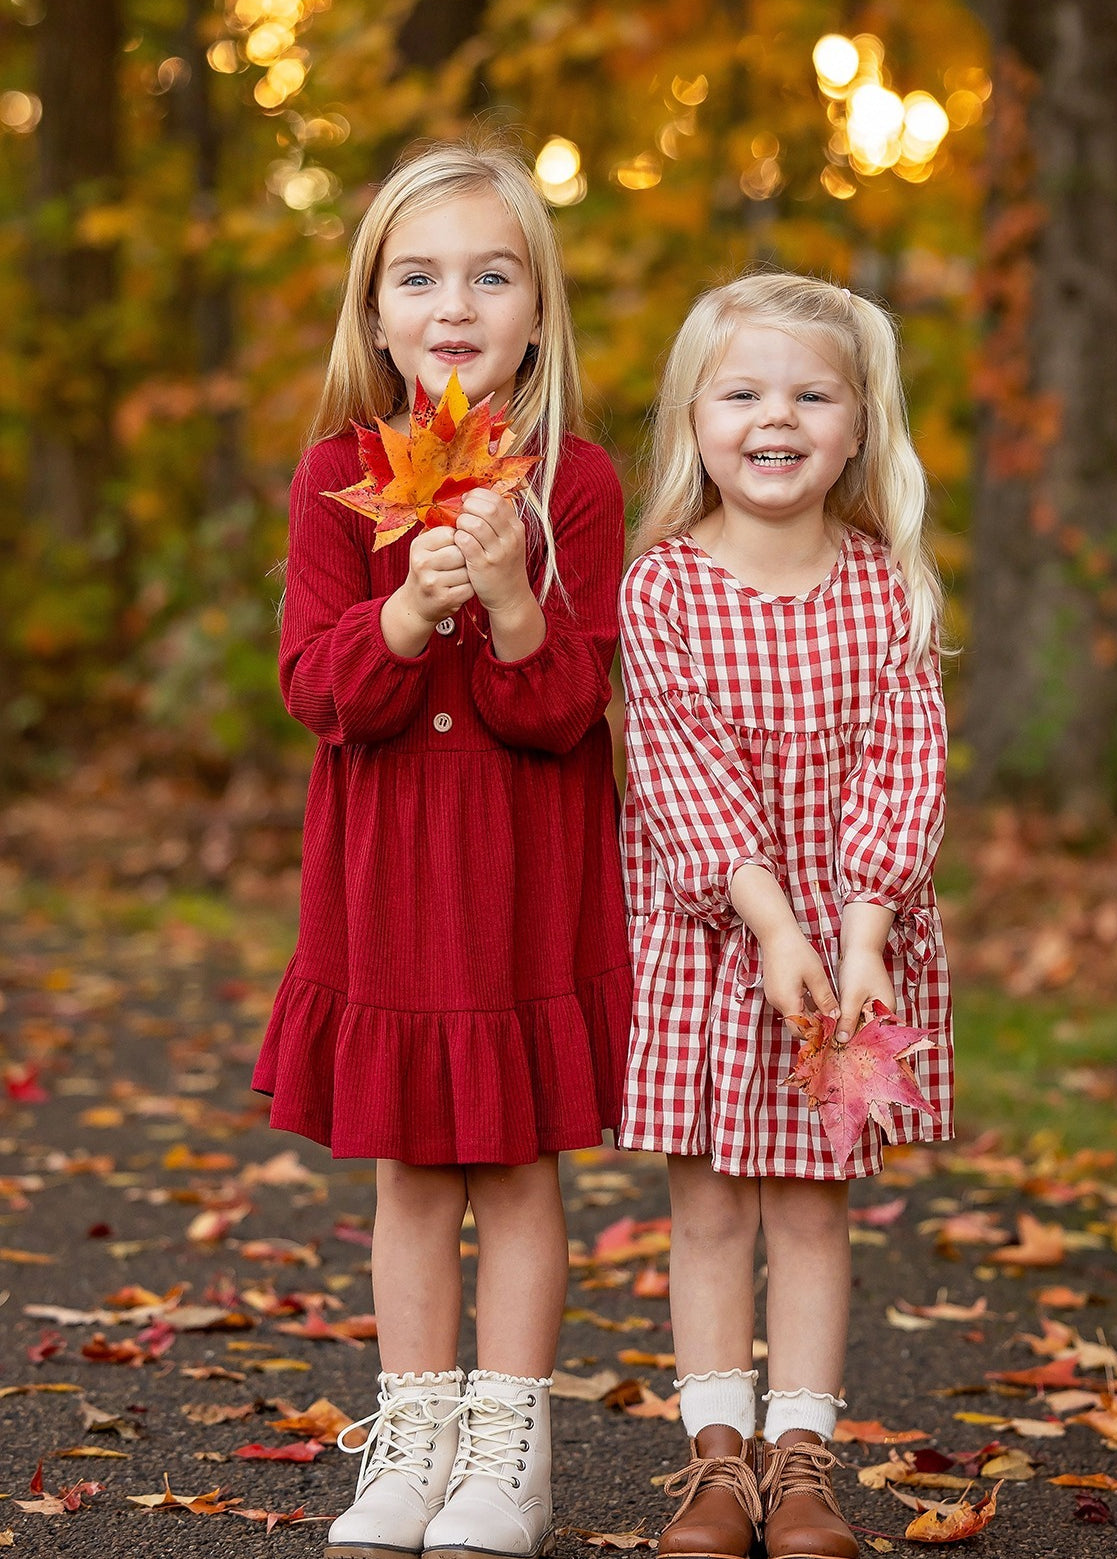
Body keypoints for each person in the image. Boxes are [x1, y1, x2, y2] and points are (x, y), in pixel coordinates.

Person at [252, 139, 632, 1559]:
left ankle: (507, 1446)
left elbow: (568, 713)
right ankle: (412, 1432)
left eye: (490, 273)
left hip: (523, 870)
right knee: (410, 1165)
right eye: (417, 276)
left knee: (520, 1158)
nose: (453, 303)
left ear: (538, 307)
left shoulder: (575, 483)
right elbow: (315, 687)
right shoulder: (335, 478)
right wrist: (409, 608)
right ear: (374, 312)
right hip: (390, 869)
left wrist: (518, 603)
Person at [618, 273, 952, 1559]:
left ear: (860, 426)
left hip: (853, 952)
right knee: (705, 1203)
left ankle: (803, 1461)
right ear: (694, 420)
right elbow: (680, 769)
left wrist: (861, 930)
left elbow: (905, 767)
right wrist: (769, 922)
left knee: (815, 1204)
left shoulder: (889, 590)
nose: (778, 416)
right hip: (713, 941)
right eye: (745, 391)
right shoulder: (664, 590)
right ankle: (716, 1465)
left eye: (813, 393)